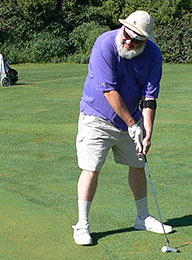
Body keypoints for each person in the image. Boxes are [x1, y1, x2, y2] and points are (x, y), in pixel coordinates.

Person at [73, 10, 174, 246]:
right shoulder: (105, 44)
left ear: (145, 41)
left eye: (137, 41)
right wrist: (133, 124)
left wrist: (147, 131)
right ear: (124, 28)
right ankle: (82, 224)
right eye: (128, 36)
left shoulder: (153, 54)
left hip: (132, 120)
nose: (129, 42)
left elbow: (149, 97)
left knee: (138, 165)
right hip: (96, 118)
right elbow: (109, 91)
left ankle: (143, 217)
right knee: (91, 169)